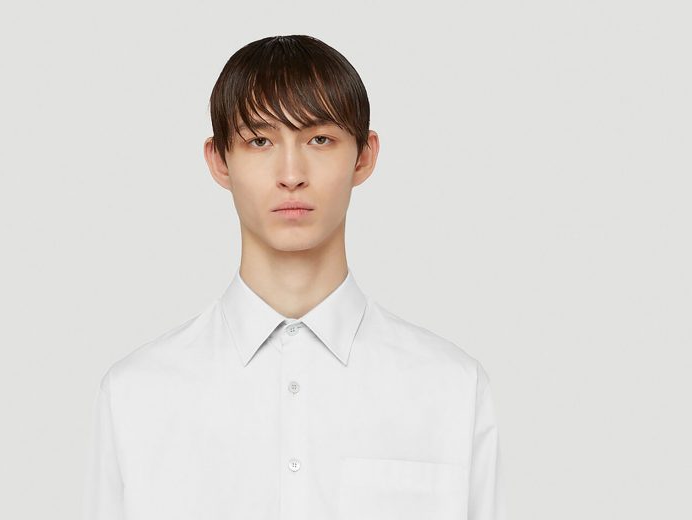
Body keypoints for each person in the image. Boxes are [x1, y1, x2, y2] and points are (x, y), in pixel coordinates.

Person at [83, 34, 506, 520]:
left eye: (319, 139)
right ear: (219, 160)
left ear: (364, 156)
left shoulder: (449, 389)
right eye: (259, 141)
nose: (291, 174)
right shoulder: (136, 395)